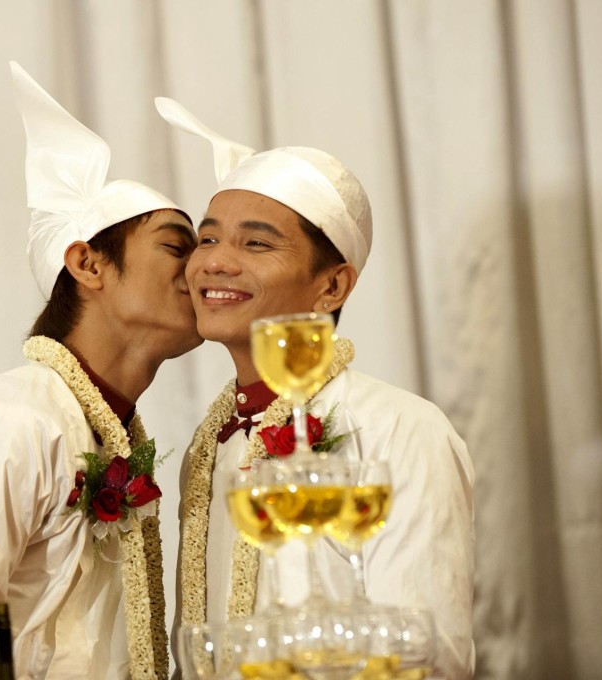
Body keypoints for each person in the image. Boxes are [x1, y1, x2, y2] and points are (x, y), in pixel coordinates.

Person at [0, 64, 200, 680]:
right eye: (176, 246)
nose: (200, 270)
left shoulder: (111, 431)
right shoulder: (9, 418)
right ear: (87, 263)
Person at [157, 98, 476, 679]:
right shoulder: (214, 444)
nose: (215, 263)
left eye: (255, 244)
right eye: (207, 240)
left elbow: (427, 659)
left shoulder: (397, 428)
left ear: (331, 287)